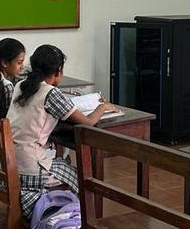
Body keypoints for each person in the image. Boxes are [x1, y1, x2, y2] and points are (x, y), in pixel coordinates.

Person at [7, 45, 114, 218]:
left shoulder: (20, 85)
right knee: (83, 176)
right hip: (31, 169)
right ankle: (82, 221)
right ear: (58, 71)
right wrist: (103, 107)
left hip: (11, 162)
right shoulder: (51, 93)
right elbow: (88, 123)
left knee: (62, 162)